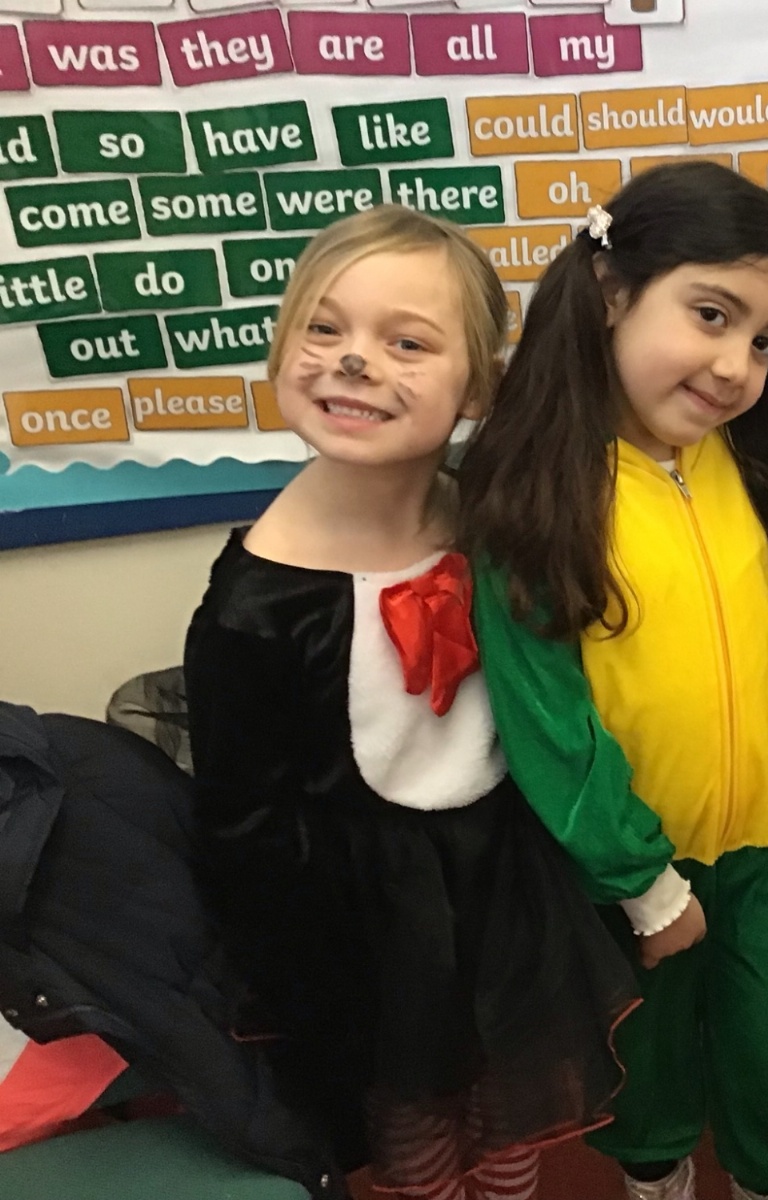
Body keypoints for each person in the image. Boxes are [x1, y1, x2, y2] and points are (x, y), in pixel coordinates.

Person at [184, 206, 638, 1200]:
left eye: (407, 343)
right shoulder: (254, 608)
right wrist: (307, 982)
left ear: (477, 385)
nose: (353, 360)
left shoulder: (489, 518)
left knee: (512, 1107)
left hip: (503, 884)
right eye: (323, 327)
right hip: (373, 927)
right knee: (415, 1119)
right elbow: (244, 826)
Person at [458, 162, 768, 1200]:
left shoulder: (752, 457)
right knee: (649, 1076)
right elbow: (546, 722)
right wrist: (643, 882)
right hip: (635, 868)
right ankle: (656, 1182)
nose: (735, 366)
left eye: (765, 341)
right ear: (610, 291)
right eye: (711, 315)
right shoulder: (536, 491)